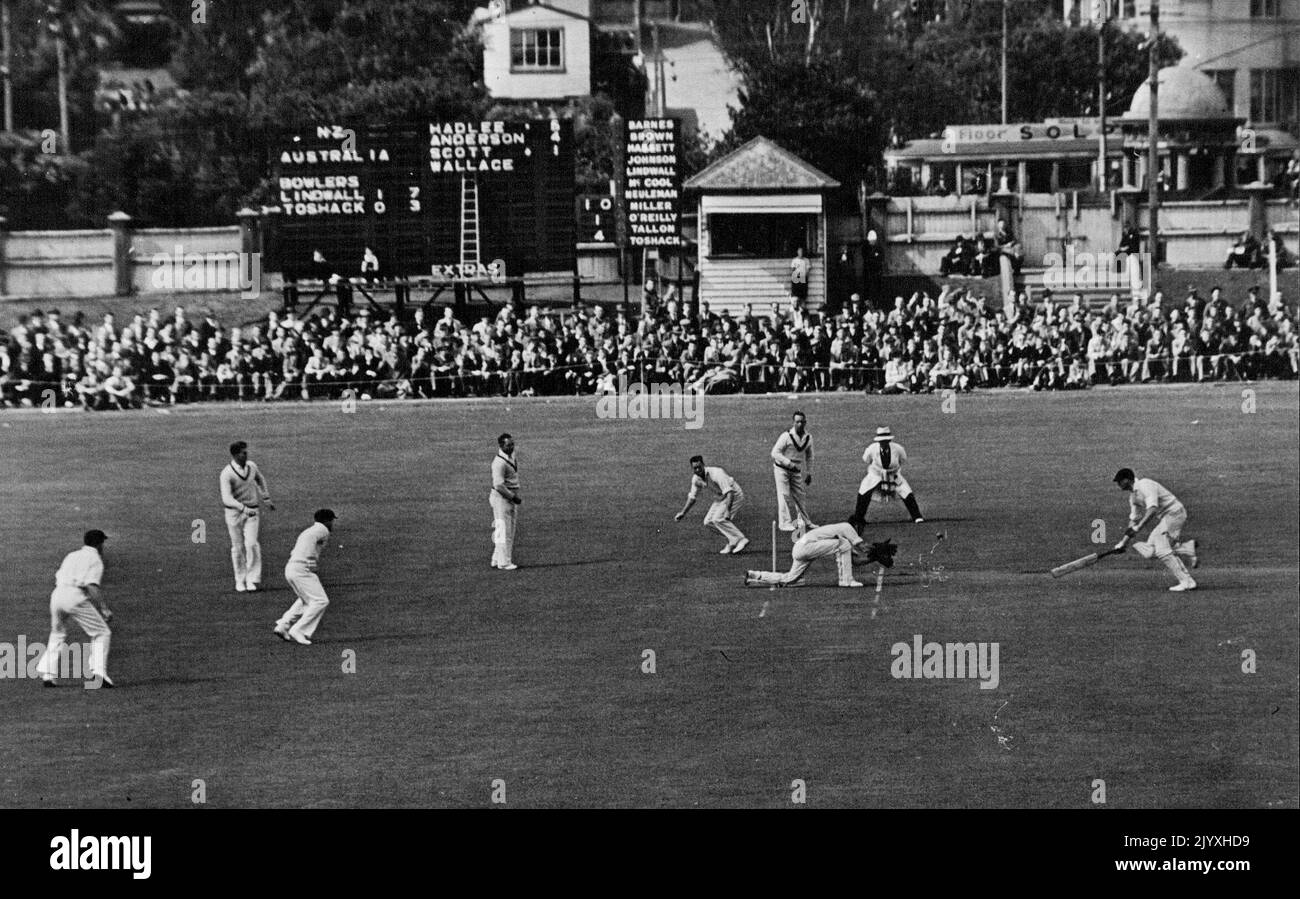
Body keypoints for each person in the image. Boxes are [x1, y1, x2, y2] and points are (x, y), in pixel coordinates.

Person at [36, 529, 114, 687]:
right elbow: (92, 586)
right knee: (102, 632)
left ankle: (48, 675)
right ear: (99, 544)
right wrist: (104, 609)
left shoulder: (72, 555)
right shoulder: (95, 559)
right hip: (74, 596)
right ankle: (99, 674)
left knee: (57, 633)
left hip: (57, 595)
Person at [1111, 468, 1198, 592]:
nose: (1118, 484)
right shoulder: (1133, 498)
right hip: (1166, 518)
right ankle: (1187, 548)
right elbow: (1133, 521)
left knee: (1162, 550)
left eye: (1119, 481)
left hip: (1174, 513)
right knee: (1150, 552)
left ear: (1126, 480)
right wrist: (1123, 543)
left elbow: (1152, 509)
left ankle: (1187, 582)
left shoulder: (1144, 485)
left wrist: (1138, 527)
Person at [744, 520, 896, 588]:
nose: (860, 533)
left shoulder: (843, 537)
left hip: (800, 549)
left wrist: (873, 558)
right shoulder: (847, 527)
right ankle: (846, 581)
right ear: (856, 526)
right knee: (843, 544)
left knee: (789, 579)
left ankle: (755, 576)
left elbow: (853, 562)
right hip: (805, 547)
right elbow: (863, 547)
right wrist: (877, 548)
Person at [274, 509, 338, 645]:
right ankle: (299, 630)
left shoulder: (309, 530)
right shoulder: (322, 530)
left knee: (305, 600)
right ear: (327, 521)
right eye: (332, 521)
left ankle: (283, 625)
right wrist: (310, 562)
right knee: (320, 601)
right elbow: (309, 545)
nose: (333, 524)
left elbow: (297, 549)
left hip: (291, 567)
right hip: (301, 569)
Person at [220, 441, 274, 592]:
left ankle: (251, 579)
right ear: (235, 455)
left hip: (252, 510)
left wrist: (266, 497)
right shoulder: (227, 473)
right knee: (237, 548)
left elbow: (260, 479)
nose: (246, 455)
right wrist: (243, 508)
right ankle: (240, 580)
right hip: (234, 513)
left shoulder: (252, 466)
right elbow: (227, 498)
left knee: (251, 544)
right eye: (243, 453)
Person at [674, 455, 748, 554]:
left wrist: (727, 511)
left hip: (734, 494)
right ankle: (733, 540)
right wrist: (683, 513)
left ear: (703, 465)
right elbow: (692, 497)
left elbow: (730, 493)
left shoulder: (717, 473)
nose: (697, 470)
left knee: (717, 519)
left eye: (699, 467)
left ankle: (741, 539)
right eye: (695, 468)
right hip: (720, 497)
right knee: (708, 522)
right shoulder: (696, 479)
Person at [851, 426, 924, 524]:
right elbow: (866, 460)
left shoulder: (898, 449)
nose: (884, 443)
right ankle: (858, 518)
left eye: (886, 441)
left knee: (906, 491)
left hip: (893, 474)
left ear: (889, 440)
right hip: (875, 474)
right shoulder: (871, 449)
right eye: (882, 441)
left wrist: (891, 470)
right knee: (864, 492)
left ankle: (917, 516)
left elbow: (902, 459)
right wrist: (879, 471)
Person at [771, 411, 816, 540]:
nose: (800, 424)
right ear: (793, 423)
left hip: (796, 470)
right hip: (781, 469)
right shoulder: (786, 436)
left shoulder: (808, 438)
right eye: (797, 422)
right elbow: (774, 453)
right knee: (784, 495)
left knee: (800, 496)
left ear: (805, 422)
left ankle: (805, 521)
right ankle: (784, 523)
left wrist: (809, 472)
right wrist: (789, 463)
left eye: (802, 422)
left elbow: (810, 456)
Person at [490, 433, 521, 570]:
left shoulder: (510, 456)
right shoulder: (499, 463)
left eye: (512, 444)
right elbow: (498, 485)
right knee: (505, 531)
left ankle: (496, 559)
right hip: (502, 498)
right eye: (508, 445)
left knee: (501, 529)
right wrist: (512, 497)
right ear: (501, 446)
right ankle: (504, 562)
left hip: (505, 497)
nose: (511, 447)